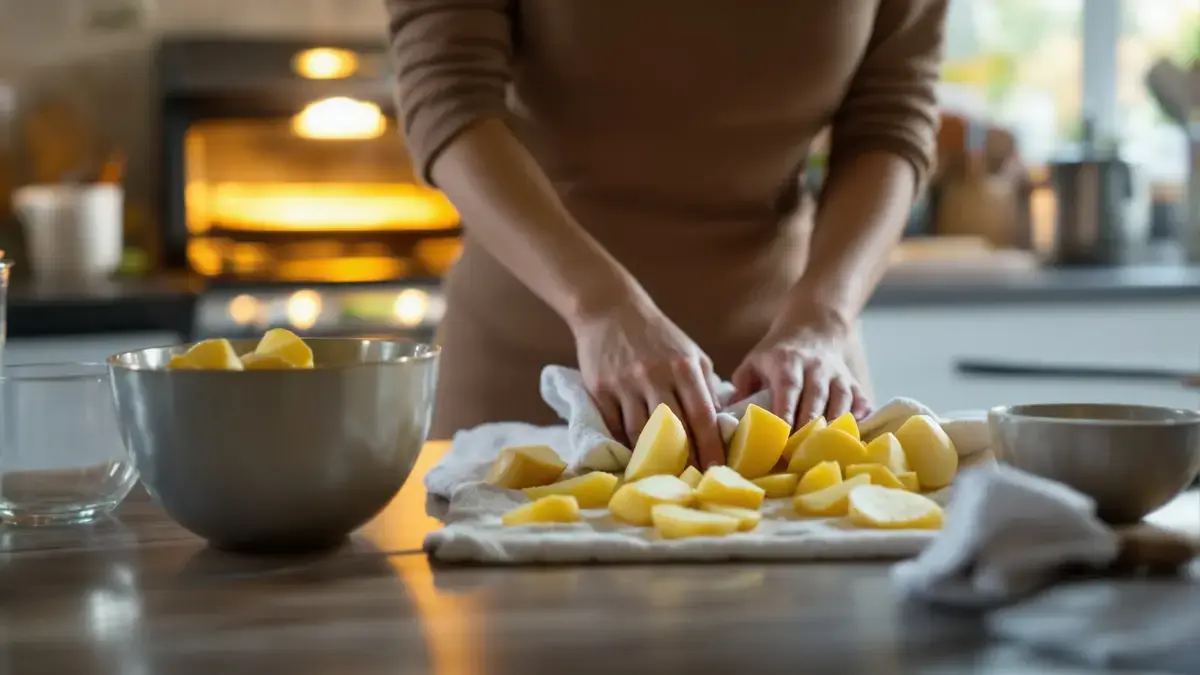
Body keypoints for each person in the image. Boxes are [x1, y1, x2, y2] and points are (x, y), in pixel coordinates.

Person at [386, 0, 947, 468]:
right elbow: (449, 96)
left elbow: (890, 121)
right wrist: (599, 305)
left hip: (789, 384)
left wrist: (822, 318)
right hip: (528, 368)